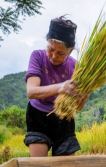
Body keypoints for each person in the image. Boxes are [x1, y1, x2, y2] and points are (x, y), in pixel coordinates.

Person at [24, 15, 87, 157]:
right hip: (38, 116)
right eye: (51, 49)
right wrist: (60, 87)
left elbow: (78, 107)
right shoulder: (37, 57)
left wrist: (82, 98)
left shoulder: (75, 67)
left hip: (64, 118)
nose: (53, 56)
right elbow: (31, 91)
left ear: (70, 51)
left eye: (60, 53)